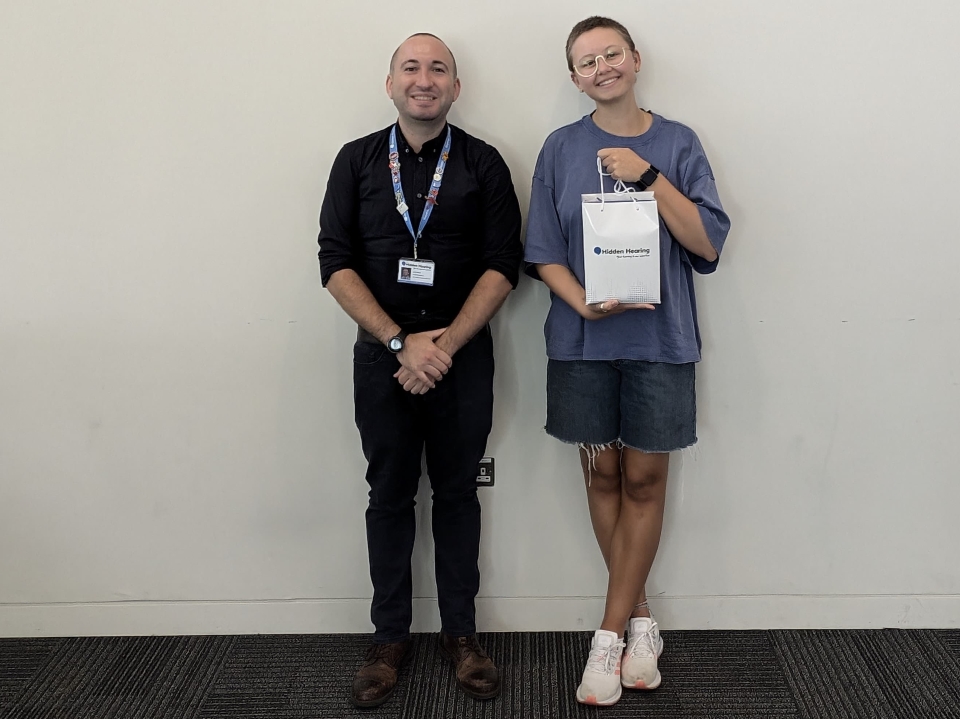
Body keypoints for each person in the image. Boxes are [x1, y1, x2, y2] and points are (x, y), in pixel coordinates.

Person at [523, 16, 731, 707]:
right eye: (586, 60)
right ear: (574, 77)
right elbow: (542, 249)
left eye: (612, 52)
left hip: (659, 344)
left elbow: (705, 243)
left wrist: (648, 177)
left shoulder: (678, 143)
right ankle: (642, 620)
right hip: (581, 343)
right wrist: (581, 302)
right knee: (602, 474)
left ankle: (607, 637)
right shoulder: (560, 148)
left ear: (635, 60)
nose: (601, 66)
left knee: (643, 482)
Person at [317, 32, 523, 708]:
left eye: (439, 68)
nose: (424, 78)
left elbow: (502, 265)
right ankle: (389, 637)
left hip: (461, 363)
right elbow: (335, 262)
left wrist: (443, 347)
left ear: (456, 88)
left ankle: (461, 634)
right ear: (391, 83)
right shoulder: (354, 162)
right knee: (389, 495)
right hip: (383, 364)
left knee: (459, 494)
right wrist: (402, 342)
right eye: (412, 66)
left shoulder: (485, 163)